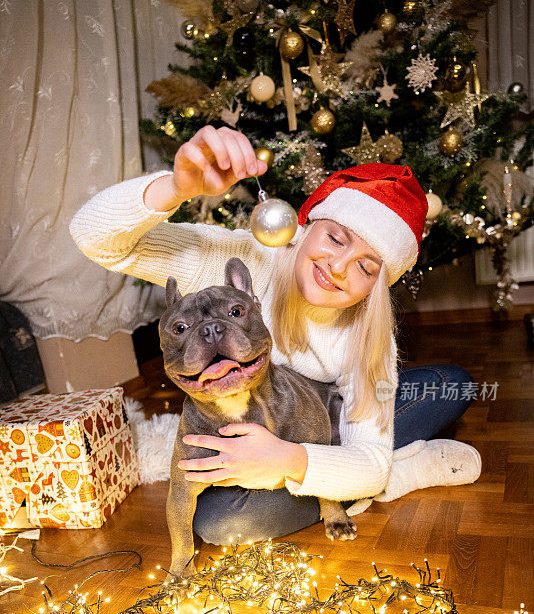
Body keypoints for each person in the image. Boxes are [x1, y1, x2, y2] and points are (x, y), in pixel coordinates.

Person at [69, 124, 481, 545]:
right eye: (335, 238)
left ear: (377, 286)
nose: (338, 266)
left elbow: (369, 459)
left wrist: (290, 459)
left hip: (318, 436)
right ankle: (388, 474)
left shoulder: (365, 334)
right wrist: (174, 188)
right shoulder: (245, 259)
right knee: (218, 524)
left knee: (453, 386)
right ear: (307, 227)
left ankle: (381, 478)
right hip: (251, 432)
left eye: (365, 266)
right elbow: (95, 239)